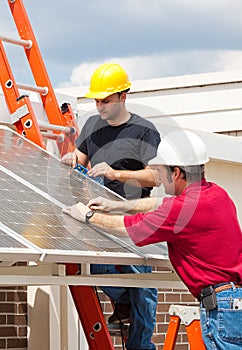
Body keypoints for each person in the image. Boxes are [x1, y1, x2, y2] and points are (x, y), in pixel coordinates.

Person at [62, 129, 242, 350]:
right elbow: (160, 203)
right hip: (238, 301)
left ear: (176, 172)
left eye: (160, 172)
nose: (158, 179)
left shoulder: (182, 210)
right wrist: (119, 205)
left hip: (224, 307)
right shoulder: (216, 194)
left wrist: (88, 216)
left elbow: (129, 228)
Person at [62, 62, 161, 350]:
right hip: (99, 213)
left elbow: (154, 175)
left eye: (105, 100)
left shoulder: (144, 130)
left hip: (133, 215)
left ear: (123, 96)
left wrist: (116, 174)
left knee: (141, 282)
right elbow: (78, 160)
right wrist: (72, 162)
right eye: (96, 100)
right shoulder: (92, 125)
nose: (100, 106)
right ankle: (124, 302)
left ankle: (140, 345)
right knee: (95, 266)